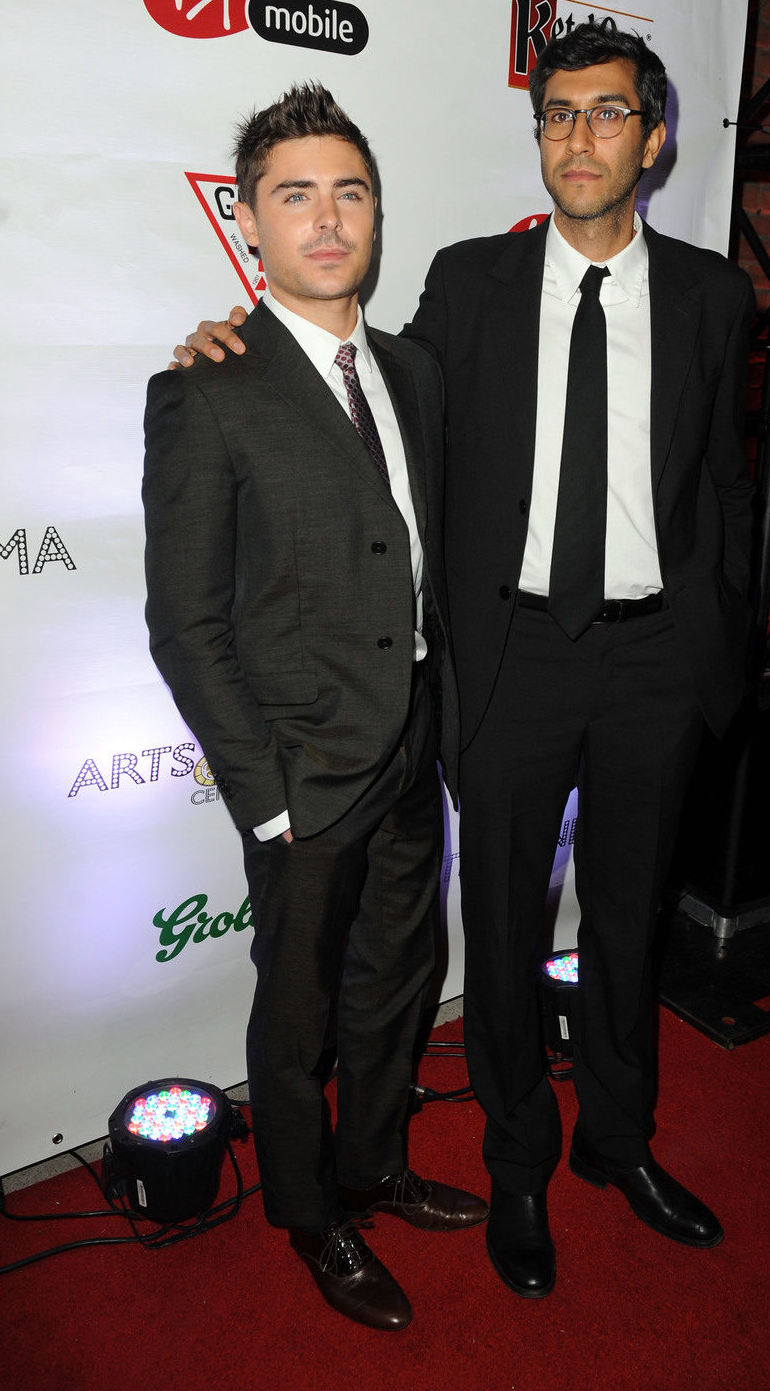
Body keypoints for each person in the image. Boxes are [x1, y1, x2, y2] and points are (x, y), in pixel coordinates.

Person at [173, 24, 756, 1298]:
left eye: (608, 113)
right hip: (507, 670)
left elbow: (728, 483)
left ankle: (617, 1142)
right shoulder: (468, 286)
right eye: (556, 113)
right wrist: (235, 332)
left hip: (657, 661)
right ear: (537, 133)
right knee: (494, 935)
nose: (579, 137)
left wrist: (720, 641)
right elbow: (339, 375)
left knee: (625, 924)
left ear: (654, 138)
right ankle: (519, 1173)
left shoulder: (716, 296)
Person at [143, 83, 486, 1335]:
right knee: (292, 1020)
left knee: (398, 979)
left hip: (411, 752)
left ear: (377, 212)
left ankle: (373, 1163)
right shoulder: (207, 387)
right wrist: (266, 798)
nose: (328, 218)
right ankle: (310, 1213)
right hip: (302, 775)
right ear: (249, 221)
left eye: (350, 191)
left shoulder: (413, 371)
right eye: (296, 194)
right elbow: (185, 622)